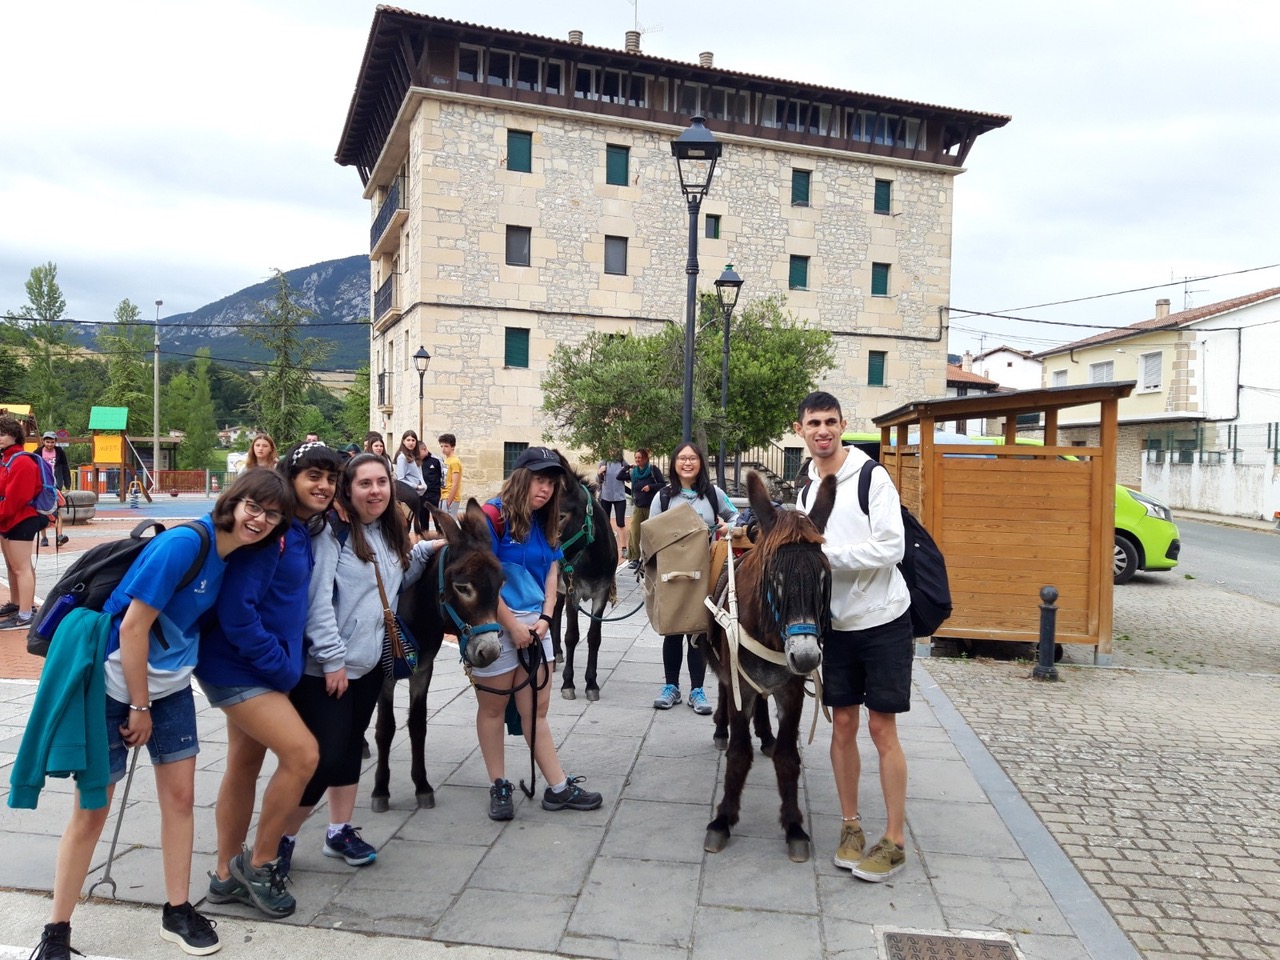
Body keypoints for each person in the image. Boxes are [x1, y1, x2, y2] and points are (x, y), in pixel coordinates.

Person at [21, 469, 292, 960]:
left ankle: (177, 909)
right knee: (92, 808)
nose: (261, 519)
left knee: (182, 799)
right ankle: (56, 931)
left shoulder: (237, 556)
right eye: (255, 506)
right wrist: (139, 707)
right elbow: (132, 628)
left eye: (272, 515)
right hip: (111, 682)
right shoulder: (186, 544)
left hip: (168, 685)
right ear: (234, 501)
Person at [198, 442, 346, 920]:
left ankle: (224, 875)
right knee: (303, 755)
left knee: (242, 764)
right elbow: (237, 611)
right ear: (292, 476)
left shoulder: (296, 530)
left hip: (251, 665)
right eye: (314, 476)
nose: (324, 486)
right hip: (242, 667)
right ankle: (258, 864)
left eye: (331, 478)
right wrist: (282, 666)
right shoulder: (276, 535)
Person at [281, 452, 442, 867]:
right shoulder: (331, 535)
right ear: (347, 490)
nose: (376, 491)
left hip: (370, 666)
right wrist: (332, 660)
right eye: (365, 484)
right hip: (329, 671)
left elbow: (391, 584)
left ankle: (339, 831)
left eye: (382, 483)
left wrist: (423, 553)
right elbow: (317, 604)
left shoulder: (387, 534)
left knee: (351, 748)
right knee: (322, 759)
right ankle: (279, 840)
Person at [793, 390, 913, 883]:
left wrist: (824, 558)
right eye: (813, 423)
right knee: (842, 727)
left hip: (883, 619)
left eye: (830, 422)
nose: (822, 430)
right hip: (836, 626)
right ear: (799, 430)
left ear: (843, 425)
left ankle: (896, 839)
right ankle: (850, 826)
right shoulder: (804, 490)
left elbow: (891, 546)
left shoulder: (871, 477)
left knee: (882, 729)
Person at [477, 446, 603, 820]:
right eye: (539, 479)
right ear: (521, 476)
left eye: (551, 482)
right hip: (496, 625)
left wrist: (546, 619)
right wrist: (512, 626)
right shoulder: (492, 516)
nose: (545, 488)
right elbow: (482, 579)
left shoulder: (546, 520)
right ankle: (498, 785)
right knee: (493, 708)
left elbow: (552, 570)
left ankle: (559, 787)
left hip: (537, 624)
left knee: (537, 712)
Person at [646, 442, 738, 716]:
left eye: (693, 458)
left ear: (701, 463)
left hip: (703, 573)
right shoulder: (662, 497)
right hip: (671, 574)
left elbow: (735, 516)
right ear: (674, 463)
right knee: (672, 630)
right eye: (682, 458)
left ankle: (697, 689)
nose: (687, 463)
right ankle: (670, 686)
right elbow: (649, 535)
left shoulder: (713, 494)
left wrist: (726, 526)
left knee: (698, 632)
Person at [0, 415, 47, 630]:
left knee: (22, 568)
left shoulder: (22, 461)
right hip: (8, 519)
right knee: (13, 566)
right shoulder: (7, 459)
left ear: (14, 436)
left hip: (21, 519)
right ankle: (17, 604)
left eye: (3, 434)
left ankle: (26, 614)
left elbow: (16, 499)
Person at [620, 448, 662, 572]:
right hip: (638, 506)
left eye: (640, 458)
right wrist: (627, 467)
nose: (638, 460)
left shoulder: (653, 470)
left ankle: (651, 556)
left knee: (650, 533)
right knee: (634, 531)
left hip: (651, 506)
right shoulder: (634, 473)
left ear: (645, 458)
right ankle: (634, 558)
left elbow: (662, 484)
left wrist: (651, 487)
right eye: (636, 457)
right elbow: (620, 476)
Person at [37, 431, 71, 548]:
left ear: (55, 442)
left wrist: (68, 485)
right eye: (47, 442)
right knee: (42, 511)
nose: (50, 444)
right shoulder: (37, 453)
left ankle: (59, 535)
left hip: (55, 484)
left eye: (52, 442)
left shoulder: (60, 452)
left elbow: (65, 468)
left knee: (58, 510)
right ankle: (44, 537)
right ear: (43, 441)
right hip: (41, 485)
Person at [596, 452, 629, 561]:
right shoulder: (603, 462)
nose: (612, 451)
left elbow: (629, 478)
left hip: (620, 497)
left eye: (615, 448)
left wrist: (627, 471)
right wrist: (599, 472)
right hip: (606, 496)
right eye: (610, 449)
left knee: (620, 523)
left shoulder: (622, 462)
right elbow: (597, 481)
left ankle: (624, 548)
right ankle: (606, 547)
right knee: (605, 523)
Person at [439, 433, 463, 517]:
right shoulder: (446, 460)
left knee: (449, 525)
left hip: (451, 497)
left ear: (452, 446)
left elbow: (455, 484)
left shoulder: (455, 461)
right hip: (443, 496)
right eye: (441, 446)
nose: (443, 449)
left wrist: (449, 501)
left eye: (446, 446)